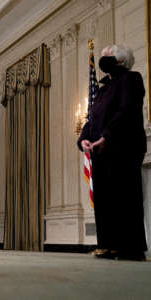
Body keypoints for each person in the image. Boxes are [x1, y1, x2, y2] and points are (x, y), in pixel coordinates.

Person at [77, 45, 147, 261]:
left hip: (123, 147)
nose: (103, 58)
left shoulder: (131, 79)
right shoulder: (103, 88)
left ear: (120, 60)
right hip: (100, 149)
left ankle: (130, 248)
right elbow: (92, 118)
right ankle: (107, 245)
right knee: (105, 199)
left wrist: (106, 136)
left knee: (125, 196)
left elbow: (126, 111)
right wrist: (84, 139)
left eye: (107, 55)